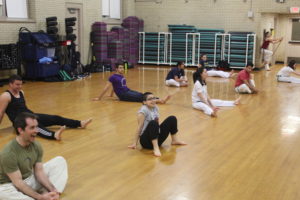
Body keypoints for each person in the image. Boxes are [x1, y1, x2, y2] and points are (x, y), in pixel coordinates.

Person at [0, 75, 92, 140]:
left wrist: (32, 116)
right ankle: (53, 135)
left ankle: (79, 123)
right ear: (10, 84)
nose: (19, 87)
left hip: (30, 115)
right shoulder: (5, 96)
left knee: (55, 118)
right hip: (20, 122)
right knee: (37, 127)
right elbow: (1, 112)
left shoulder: (21, 92)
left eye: (20, 84)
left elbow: (23, 108)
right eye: (17, 84)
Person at [0, 112, 68, 200]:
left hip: (29, 179)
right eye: (32, 127)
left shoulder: (36, 145)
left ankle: (50, 194)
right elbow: (18, 182)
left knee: (59, 161)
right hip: (9, 185)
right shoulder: (8, 153)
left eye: (36, 126)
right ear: (20, 130)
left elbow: (39, 172)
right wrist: (40, 197)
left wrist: (53, 190)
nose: (37, 130)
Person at [128, 92, 186, 157]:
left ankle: (175, 140)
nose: (153, 100)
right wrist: (134, 143)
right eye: (150, 99)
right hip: (146, 142)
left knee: (172, 118)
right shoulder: (143, 111)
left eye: (154, 98)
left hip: (156, 137)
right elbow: (139, 127)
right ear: (144, 102)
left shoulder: (155, 107)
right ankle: (156, 148)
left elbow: (157, 124)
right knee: (153, 123)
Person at [93, 63, 170, 103]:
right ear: (116, 69)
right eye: (120, 68)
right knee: (141, 98)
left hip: (127, 91)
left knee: (141, 94)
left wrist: (111, 94)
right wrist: (99, 98)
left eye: (122, 67)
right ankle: (160, 101)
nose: (122, 69)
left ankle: (159, 99)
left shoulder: (121, 75)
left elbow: (115, 85)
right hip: (123, 95)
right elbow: (106, 87)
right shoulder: (112, 77)